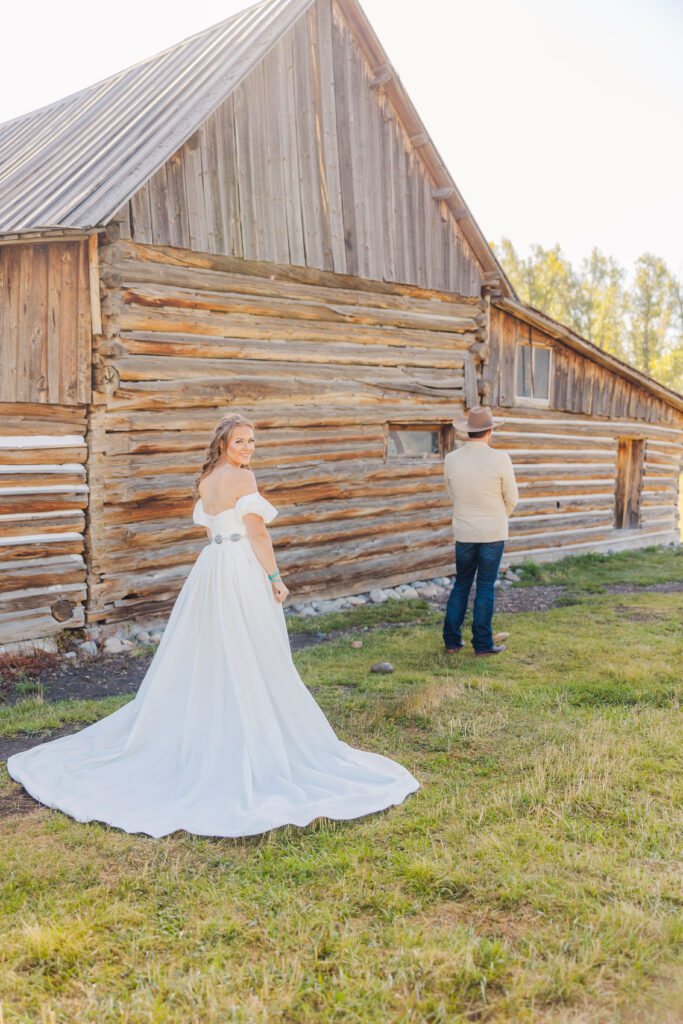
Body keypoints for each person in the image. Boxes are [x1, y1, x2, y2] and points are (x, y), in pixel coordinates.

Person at [8, 414, 419, 838]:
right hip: (239, 566)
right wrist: (276, 579)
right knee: (252, 646)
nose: (248, 447)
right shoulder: (243, 479)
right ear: (223, 443)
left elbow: (211, 529)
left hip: (213, 567)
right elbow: (257, 534)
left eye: (252, 440)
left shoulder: (207, 480)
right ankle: (245, 724)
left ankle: (220, 716)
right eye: (240, 440)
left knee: (213, 645)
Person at [442, 406, 518, 657]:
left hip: (464, 531)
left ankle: (452, 641)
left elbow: (452, 494)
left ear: (467, 432)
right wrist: (497, 517)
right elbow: (512, 498)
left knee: (462, 584)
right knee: (485, 587)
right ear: (490, 432)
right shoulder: (500, 459)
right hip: (492, 533)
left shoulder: (451, 459)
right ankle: (483, 646)